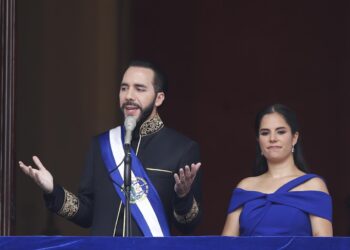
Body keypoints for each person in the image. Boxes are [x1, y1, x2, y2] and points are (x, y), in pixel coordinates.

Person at [19, 60, 202, 236]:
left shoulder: (182, 149)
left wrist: (183, 197)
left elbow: (188, 226)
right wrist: (53, 191)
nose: (129, 95)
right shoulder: (102, 145)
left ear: (159, 98)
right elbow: (87, 214)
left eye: (139, 88)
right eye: (124, 88)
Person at [222, 104, 332, 236]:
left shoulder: (313, 186)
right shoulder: (245, 187)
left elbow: (324, 244)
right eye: (265, 133)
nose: (272, 139)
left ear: (294, 137)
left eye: (281, 131)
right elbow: (226, 243)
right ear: (258, 140)